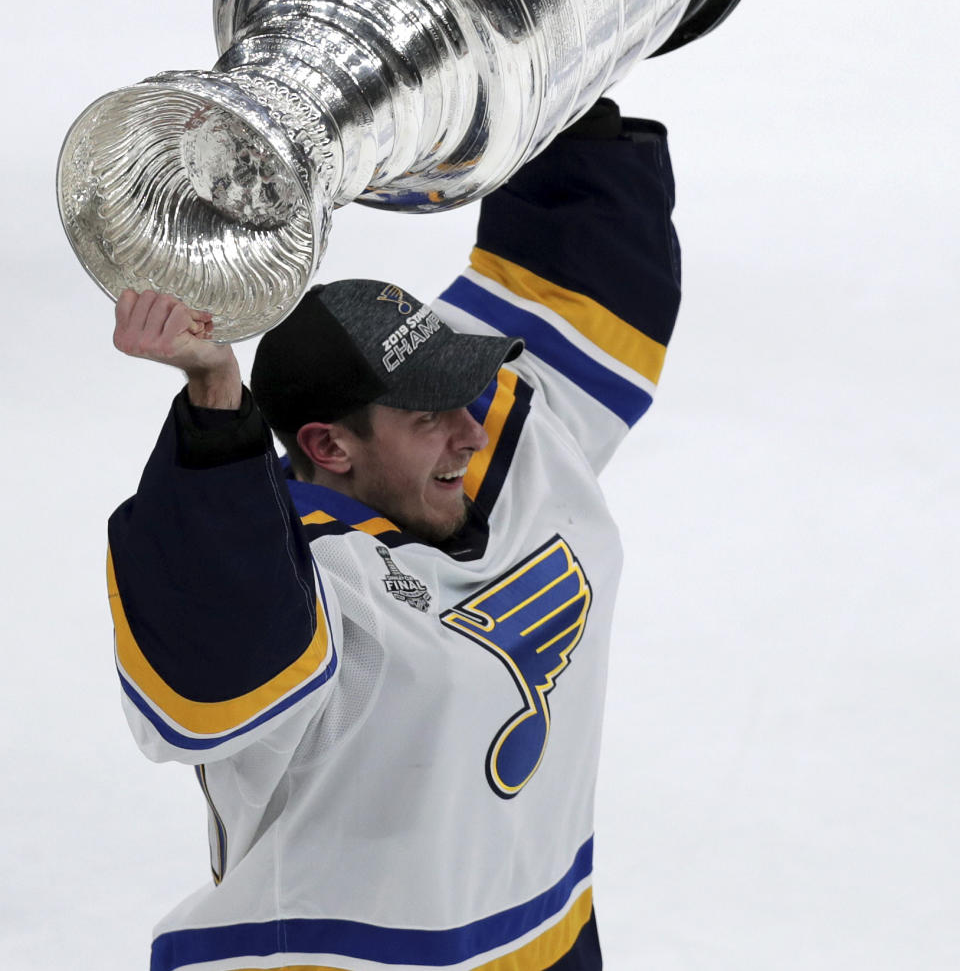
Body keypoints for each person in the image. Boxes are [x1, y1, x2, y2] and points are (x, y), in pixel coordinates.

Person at [108, 99, 681, 971]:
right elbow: (211, 646)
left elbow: (583, 268)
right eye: (426, 416)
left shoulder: (514, 445)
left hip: (551, 942)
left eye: (464, 393)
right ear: (328, 446)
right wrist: (216, 397)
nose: (471, 431)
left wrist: (561, 67)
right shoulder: (306, 584)